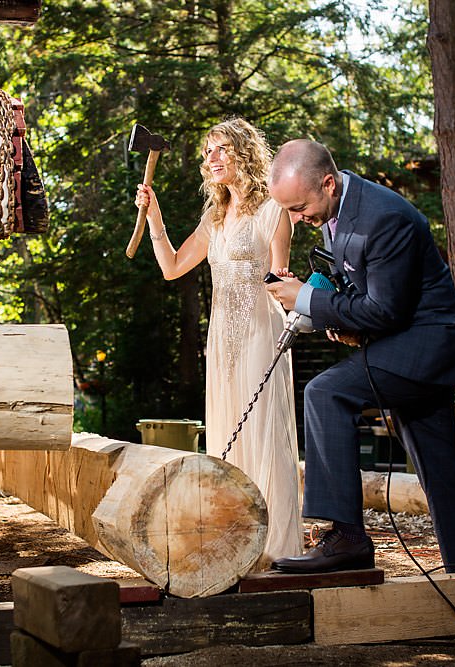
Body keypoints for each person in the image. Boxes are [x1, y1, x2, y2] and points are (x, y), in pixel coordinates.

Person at [264, 139, 455, 574]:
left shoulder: (384, 216)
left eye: (298, 207)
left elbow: (387, 311)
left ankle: (346, 538)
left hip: (429, 342)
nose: (296, 219)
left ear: (328, 183)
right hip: (404, 341)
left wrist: (307, 299)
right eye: (289, 211)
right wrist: (340, 320)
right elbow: (365, 294)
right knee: (439, 469)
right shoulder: (334, 210)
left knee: (325, 393)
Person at [134, 118, 303, 568]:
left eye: (220, 149)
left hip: (262, 335)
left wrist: (299, 294)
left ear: (244, 152)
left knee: (263, 433)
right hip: (221, 341)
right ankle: (235, 543)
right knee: (227, 431)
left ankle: (277, 550)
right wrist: (156, 218)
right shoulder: (213, 218)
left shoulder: (273, 210)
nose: (211, 159)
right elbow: (171, 267)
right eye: (207, 153)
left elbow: (278, 279)